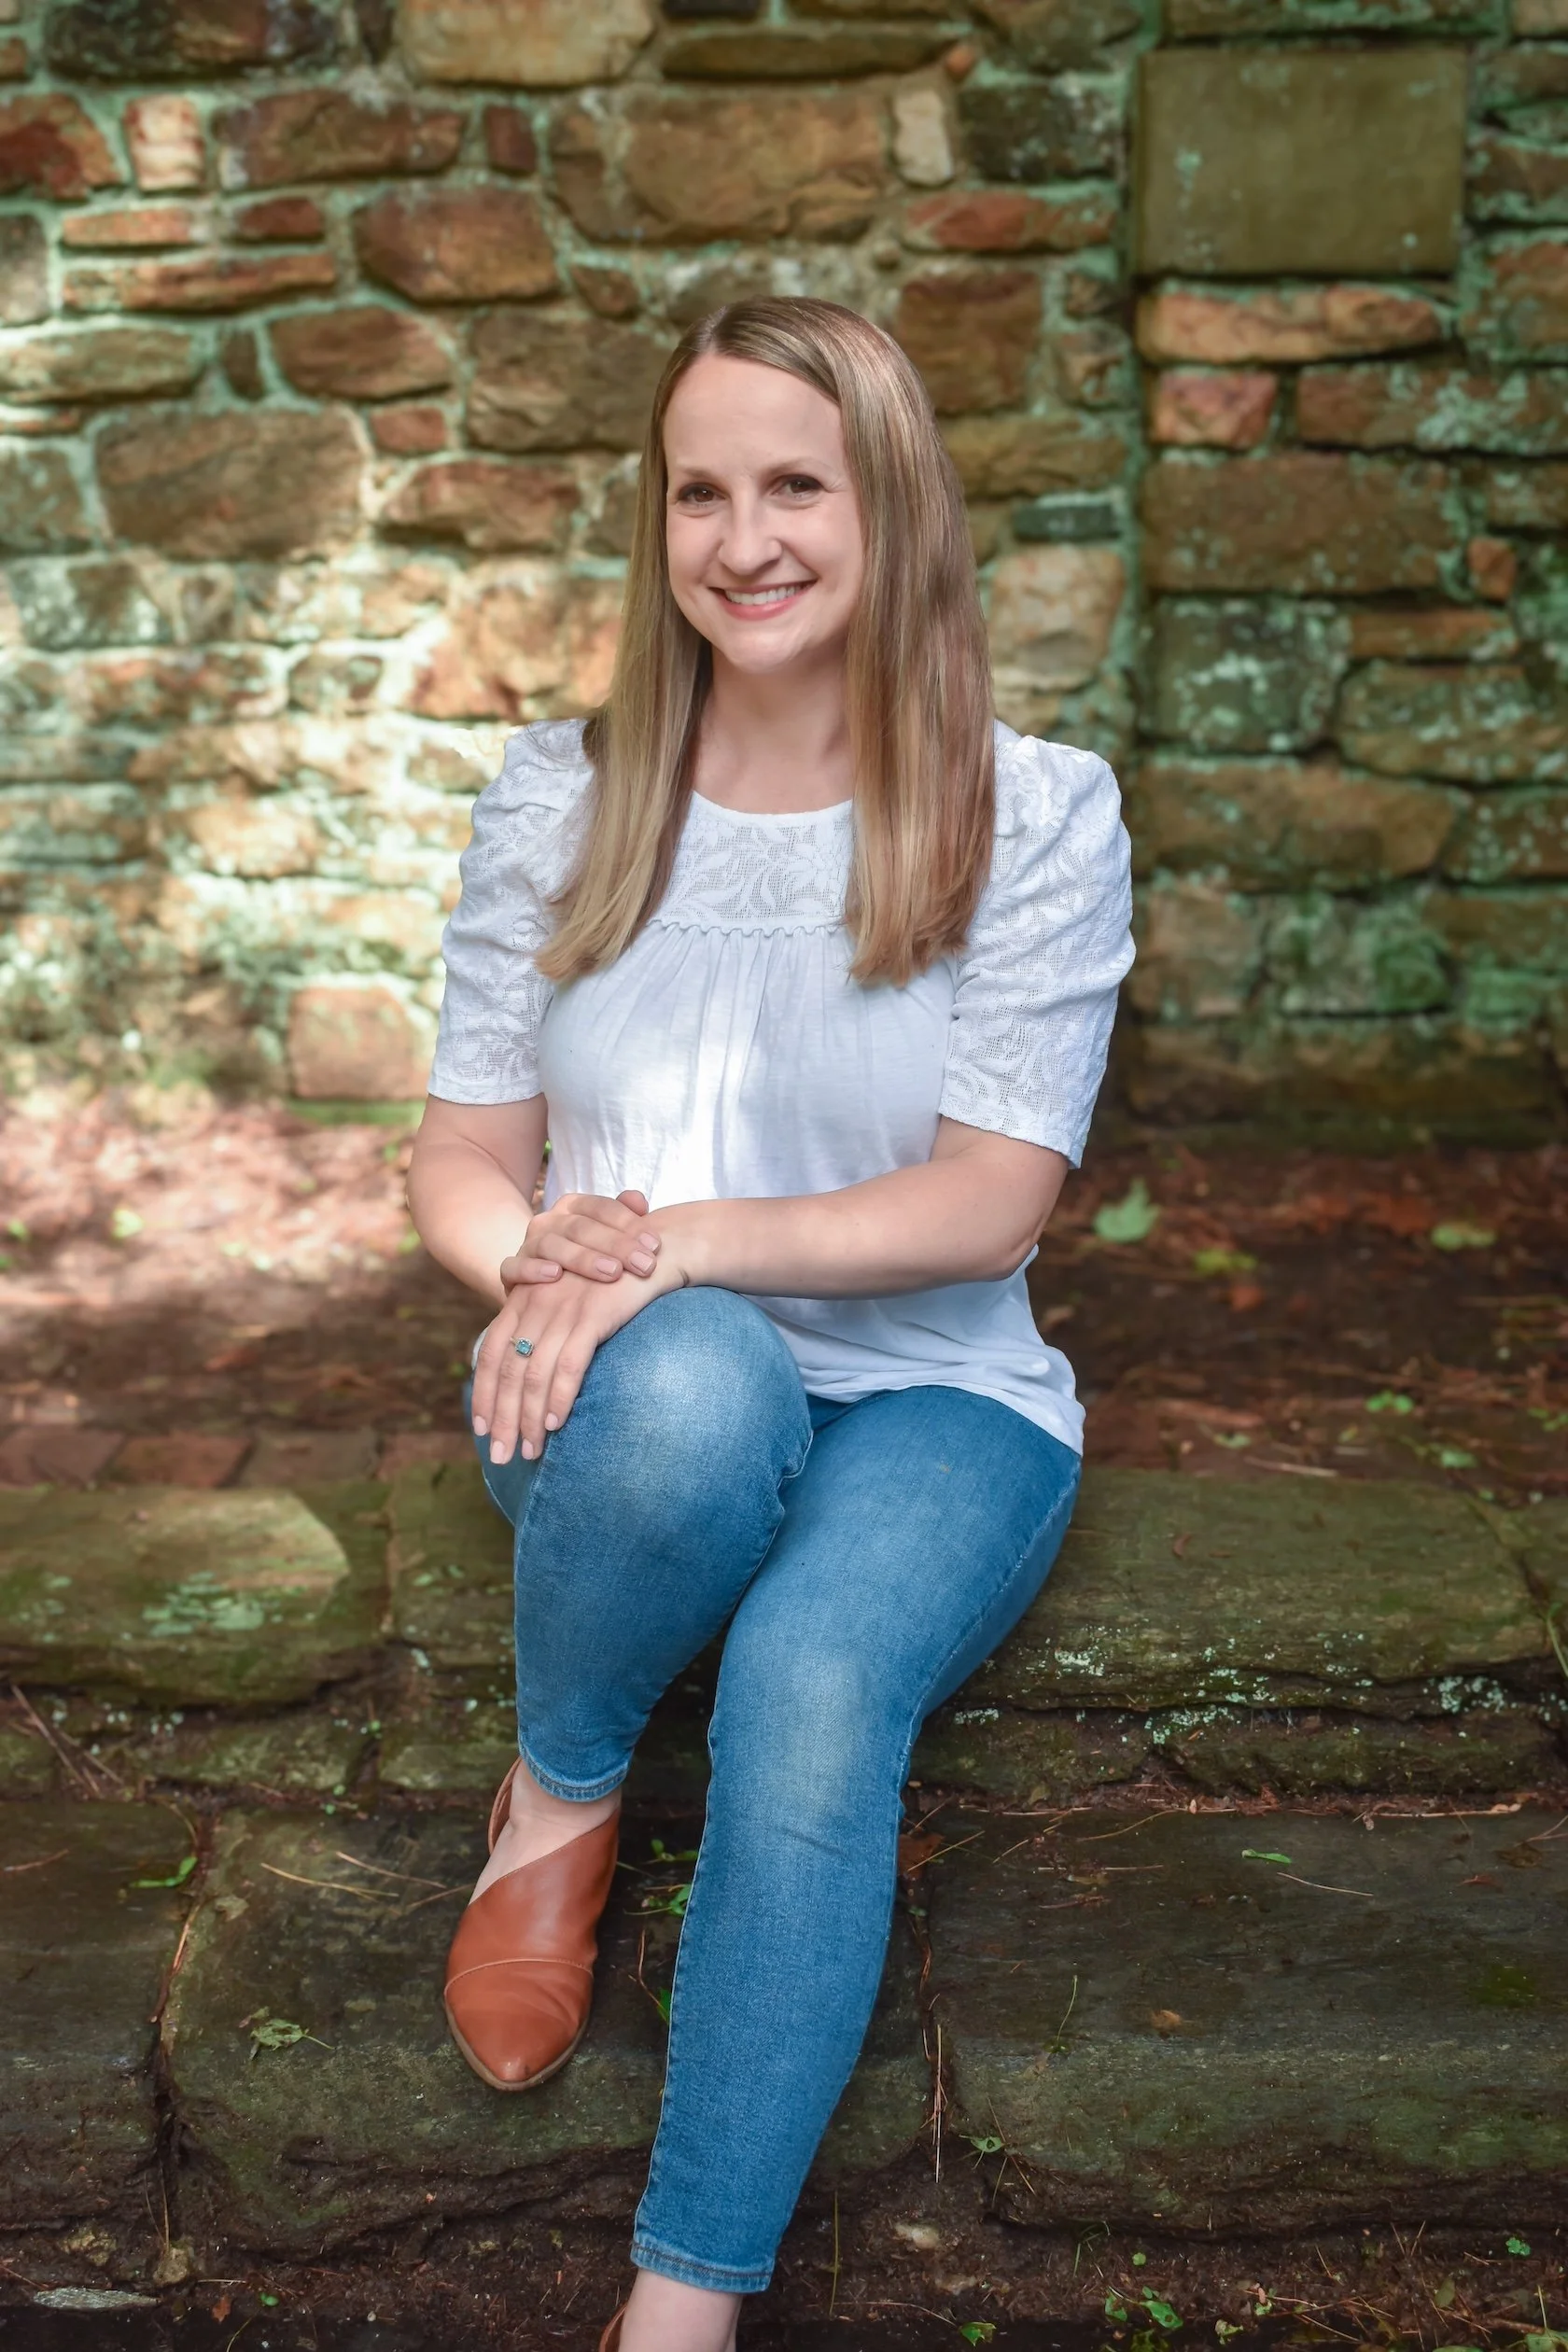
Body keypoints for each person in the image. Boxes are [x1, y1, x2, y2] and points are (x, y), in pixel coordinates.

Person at [405, 295, 1134, 2352]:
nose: (744, 542)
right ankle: (562, 1791)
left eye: (795, 485)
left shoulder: (1028, 813)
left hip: (941, 1396)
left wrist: (674, 1240)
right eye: (698, 493)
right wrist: (540, 1268)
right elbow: (463, 1156)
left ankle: (681, 2301)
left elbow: (992, 1199)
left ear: (890, 505)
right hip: (623, 1384)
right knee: (699, 1394)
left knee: (815, 1681)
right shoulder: (566, 797)